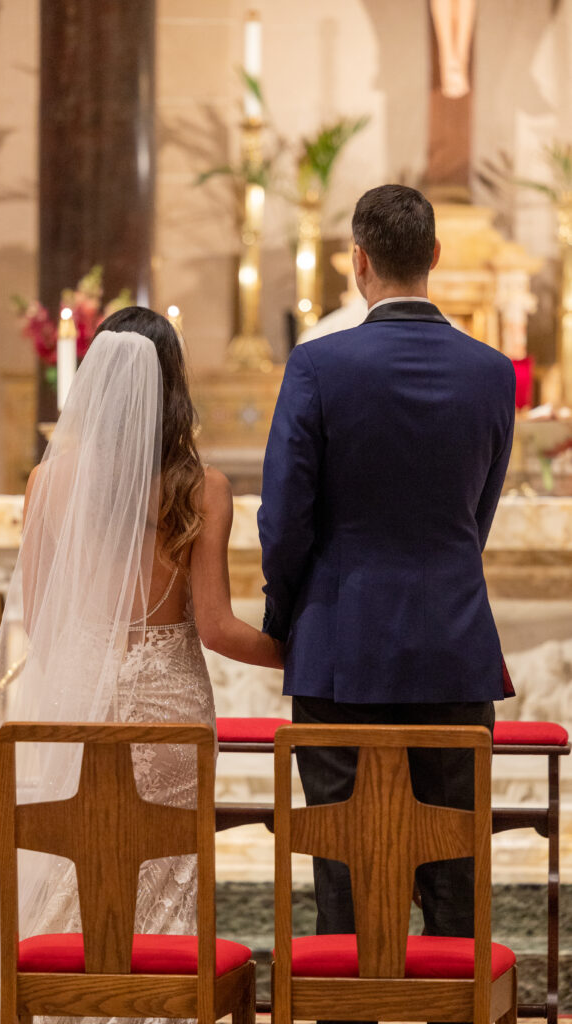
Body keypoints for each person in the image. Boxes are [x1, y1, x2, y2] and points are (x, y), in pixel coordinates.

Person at [0, 307, 282, 1024]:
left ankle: (65, 1004)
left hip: (79, 703)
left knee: (70, 861)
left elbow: (42, 622)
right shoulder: (201, 488)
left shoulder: (46, 485)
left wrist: (90, 677)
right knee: (163, 871)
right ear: (174, 386)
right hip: (172, 713)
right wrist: (298, 653)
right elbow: (214, 627)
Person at [259, 184, 515, 1015]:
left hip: (339, 647)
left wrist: (285, 617)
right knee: (453, 873)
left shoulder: (318, 365)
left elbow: (284, 516)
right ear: (435, 258)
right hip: (452, 646)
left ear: (356, 260)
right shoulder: (489, 372)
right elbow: (476, 510)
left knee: (344, 873)